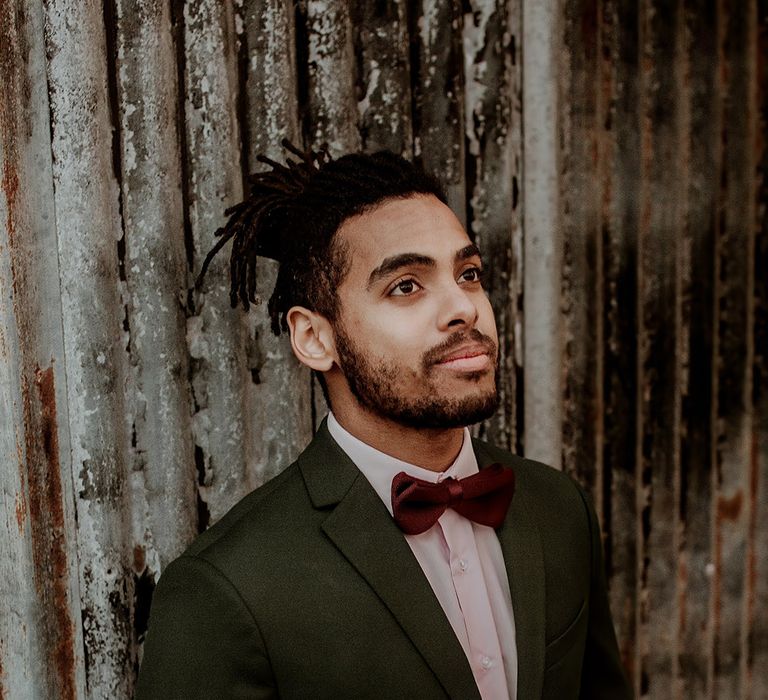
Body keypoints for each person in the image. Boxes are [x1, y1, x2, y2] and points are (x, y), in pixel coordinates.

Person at [135, 142, 632, 699]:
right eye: (406, 286)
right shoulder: (225, 589)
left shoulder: (558, 508)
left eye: (468, 273)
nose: (463, 308)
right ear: (316, 338)